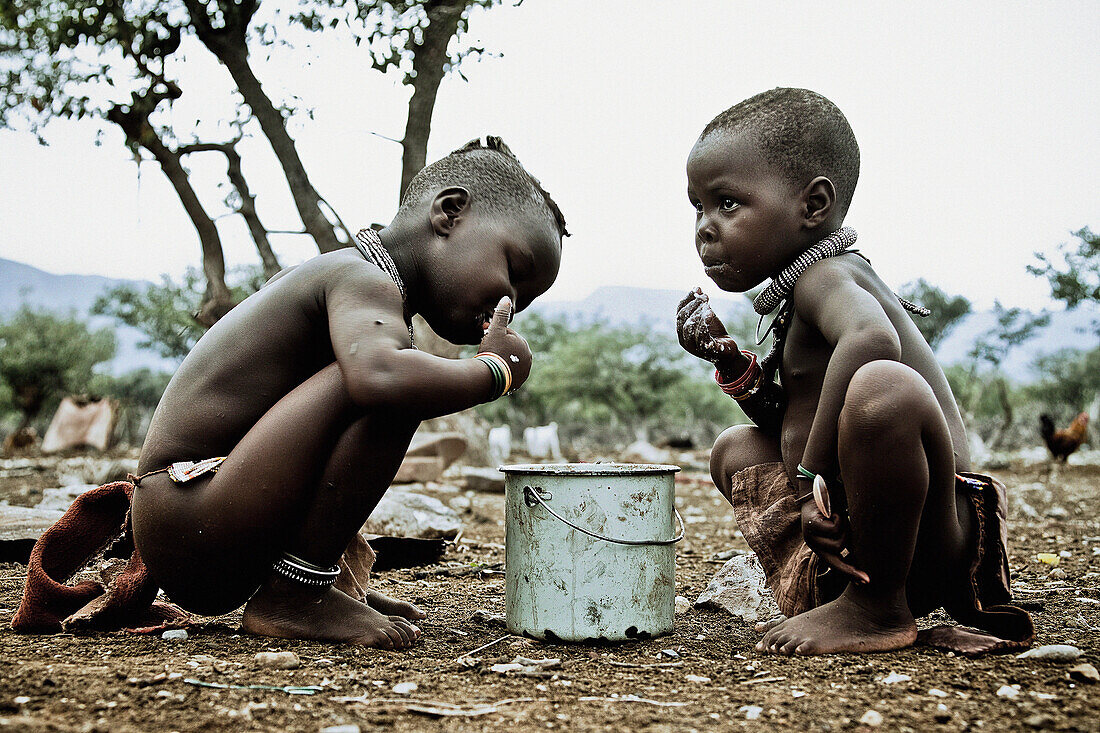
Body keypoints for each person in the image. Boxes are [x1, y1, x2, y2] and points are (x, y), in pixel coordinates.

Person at [127, 136, 566, 648]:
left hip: (208, 520)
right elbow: (377, 379)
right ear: (449, 213)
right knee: (394, 383)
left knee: (397, 375)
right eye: (514, 273)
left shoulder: (366, 292)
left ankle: (315, 579)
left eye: (527, 301)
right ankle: (295, 595)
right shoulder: (359, 278)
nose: (510, 303)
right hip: (188, 511)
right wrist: (495, 371)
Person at [676, 89, 1031, 656]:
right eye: (698, 207)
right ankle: (840, 594)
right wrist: (728, 360)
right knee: (735, 450)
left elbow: (873, 341)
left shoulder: (830, 278)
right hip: (861, 528)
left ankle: (878, 610)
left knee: (882, 389)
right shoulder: (801, 288)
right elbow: (792, 414)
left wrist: (807, 477)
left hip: (930, 532)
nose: (705, 227)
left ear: (814, 206)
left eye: (728, 204)